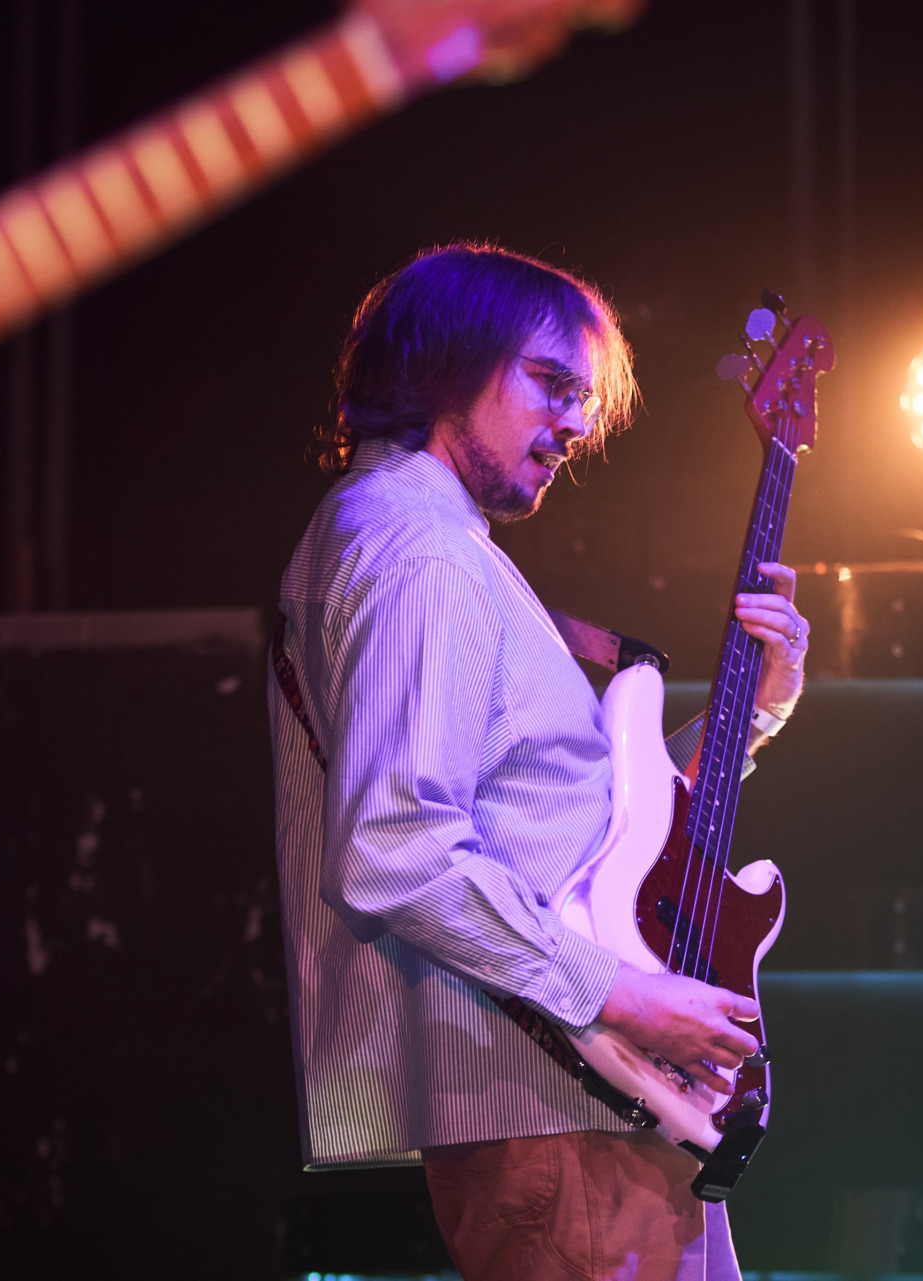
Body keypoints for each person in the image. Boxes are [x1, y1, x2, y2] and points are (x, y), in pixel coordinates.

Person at [268, 243, 809, 1281]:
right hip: (556, 1083)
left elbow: (590, 817)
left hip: (583, 1086)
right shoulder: (416, 548)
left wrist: (761, 707)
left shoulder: (436, 545)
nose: (575, 428)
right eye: (551, 385)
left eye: (586, 402)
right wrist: (615, 989)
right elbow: (394, 849)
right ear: (443, 364)